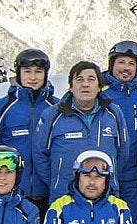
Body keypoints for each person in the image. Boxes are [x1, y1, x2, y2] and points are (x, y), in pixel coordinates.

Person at [37, 62, 125, 200]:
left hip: (105, 198)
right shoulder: (52, 115)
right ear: (71, 87)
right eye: (79, 79)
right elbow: (40, 155)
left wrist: (106, 180)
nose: (85, 84)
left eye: (91, 79)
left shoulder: (114, 113)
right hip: (64, 198)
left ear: (99, 87)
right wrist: (58, 182)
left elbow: (123, 153)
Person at [0, 49, 57, 209]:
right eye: (27, 71)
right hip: (11, 195)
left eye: (38, 71)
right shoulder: (0, 108)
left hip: (50, 194)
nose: (33, 77)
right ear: (18, 73)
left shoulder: (57, 108)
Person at [99, 41, 137, 224]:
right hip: (102, 175)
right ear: (112, 64)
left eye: (131, 63)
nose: (126, 68)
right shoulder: (100, 93)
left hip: (133, 176)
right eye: (121, 62)